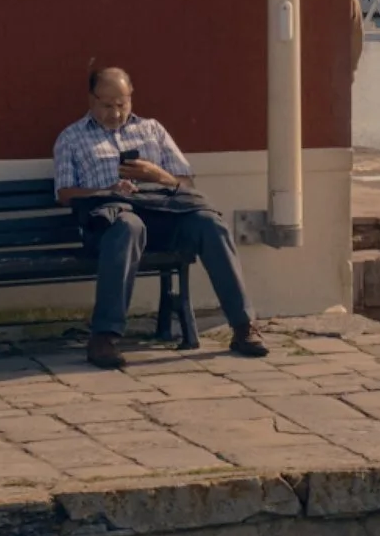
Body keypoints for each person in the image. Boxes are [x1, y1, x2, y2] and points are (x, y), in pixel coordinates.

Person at [52, 64, 268, 369]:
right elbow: (64, 194)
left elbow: (186, 183)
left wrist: (157, 174)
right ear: (91, 100)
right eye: (106, 105)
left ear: (131, 99)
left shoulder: (152, 129)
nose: (115, 113)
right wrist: (108, 189)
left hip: (163, 213)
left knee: (210, 223)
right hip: (111, 219)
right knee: (128, 226)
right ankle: (104, 337)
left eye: (121, 104)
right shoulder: (71, 138)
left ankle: (244, 327)